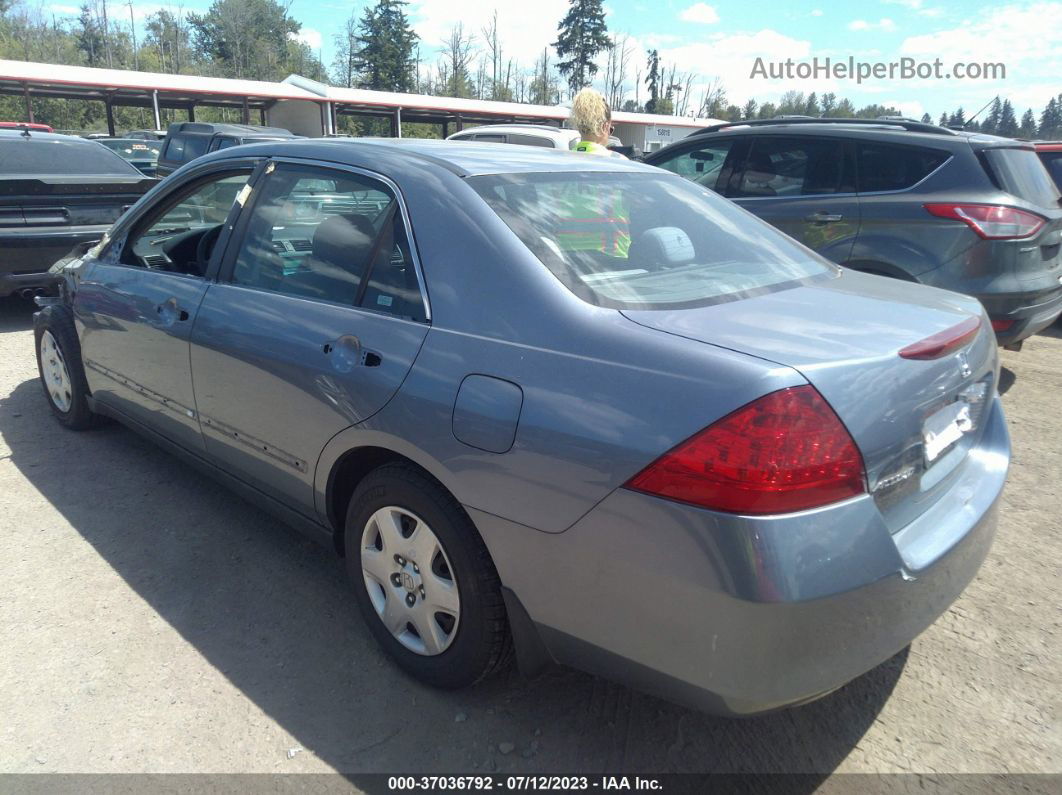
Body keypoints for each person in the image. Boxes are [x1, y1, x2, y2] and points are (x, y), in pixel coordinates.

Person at [568, 88, 627, 159]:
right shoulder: (619, 161)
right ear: (604, 127)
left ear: (579, 126)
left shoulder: (566, 159)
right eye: (610, 130)